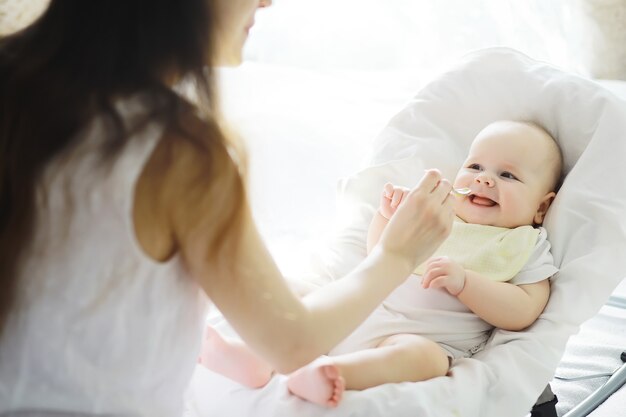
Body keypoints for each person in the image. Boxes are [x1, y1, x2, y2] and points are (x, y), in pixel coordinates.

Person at [0, 0, 455, 414]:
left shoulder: (15, 78)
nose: (267, 1)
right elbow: (291, 341)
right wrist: (396, 255)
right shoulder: (174, 152)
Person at [197, 119, 562, 407]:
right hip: (350, 316)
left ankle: (331, 372)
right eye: (475, 165)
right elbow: (379, 255)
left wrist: (466, 282)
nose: (484, 178)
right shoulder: (438, 215)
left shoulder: (524, 244)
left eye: (507, 175)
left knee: (424, 359)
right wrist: (388, 218)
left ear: (541, 207)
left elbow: (525, 309)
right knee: (295, 288)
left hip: (413, 338)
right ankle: (256, 356)